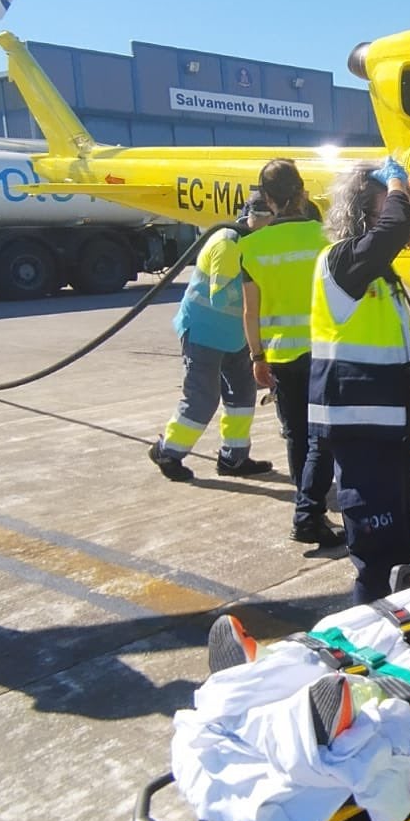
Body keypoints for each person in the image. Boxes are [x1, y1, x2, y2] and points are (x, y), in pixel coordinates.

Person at [310, 156, 410, 604]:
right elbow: (395, 228)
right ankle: (368, 621)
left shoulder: (376, 272)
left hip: (387, 426)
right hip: (358, 426)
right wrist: (397, 184)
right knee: (376, 554)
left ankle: (398, 620)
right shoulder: (342, 261)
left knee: (401, 548)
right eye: (383, 208)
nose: (393, 215)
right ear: (361, 214)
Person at [240, 159, 344, 548]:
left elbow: (250, 312)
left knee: (297, 436)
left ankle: (308, 510)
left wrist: (257, 356)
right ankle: (311, 512)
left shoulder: (251, 247)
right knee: (325, 436)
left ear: (266, 198)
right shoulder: (326, 238)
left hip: (281, 356)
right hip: (324, 351)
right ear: (302, 192)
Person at [147, 201, 277, 482]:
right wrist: (259, 292)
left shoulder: (258, 243)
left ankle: (234, 458)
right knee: (203, 396)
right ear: (254, 218)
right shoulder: (227, 243)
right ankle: (168, 452)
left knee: (242, 394)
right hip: (204, 332)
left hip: (236, 336)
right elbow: (220, 297)